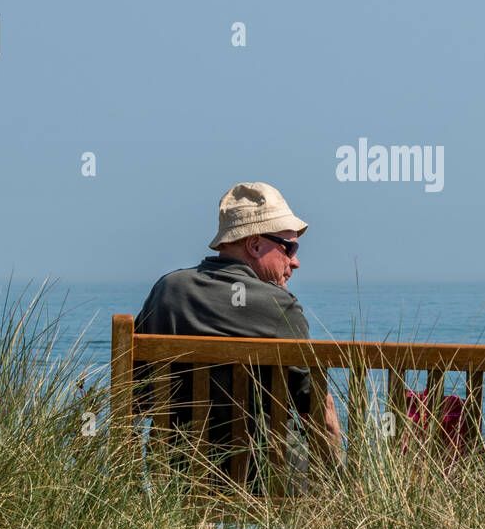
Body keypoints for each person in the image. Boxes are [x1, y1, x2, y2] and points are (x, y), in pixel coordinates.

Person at [135, 181, 341, 481]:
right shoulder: (280, 306)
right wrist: (343, 491)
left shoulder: (169, 291)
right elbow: (320, 414)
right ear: (255, 245)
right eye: (289, 247)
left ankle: (192, 528)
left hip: (178, 478)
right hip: (271, 479)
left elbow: (138, 398)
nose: (294, 261)